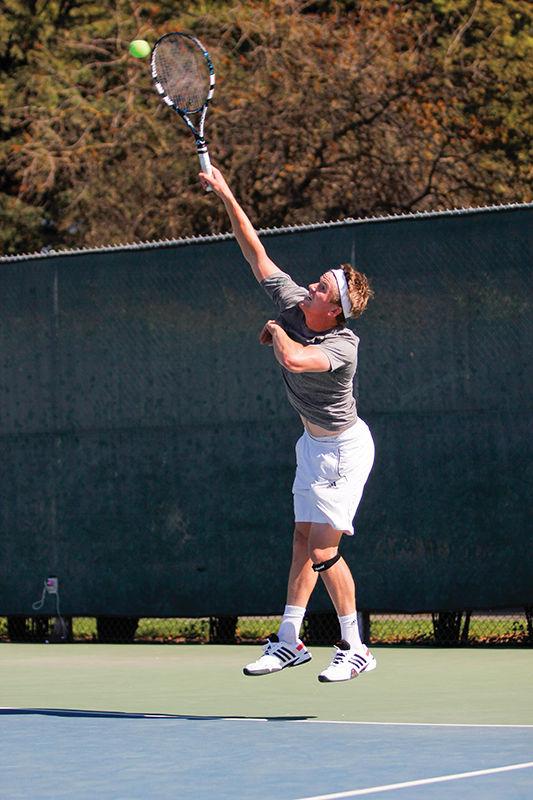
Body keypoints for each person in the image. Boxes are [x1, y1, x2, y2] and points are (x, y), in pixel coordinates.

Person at [199, 166, 376, 683]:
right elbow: (254, 250)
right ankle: (289, 640)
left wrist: (275, 331)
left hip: (345, 449)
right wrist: (227, 192)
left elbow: (297, 361)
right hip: (311, 445)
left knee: (324, 549)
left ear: (334, 308)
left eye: (321, 287)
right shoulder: (296, 301)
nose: (311, 286)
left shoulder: (343, 346)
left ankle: (355, 645)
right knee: (303, 538)